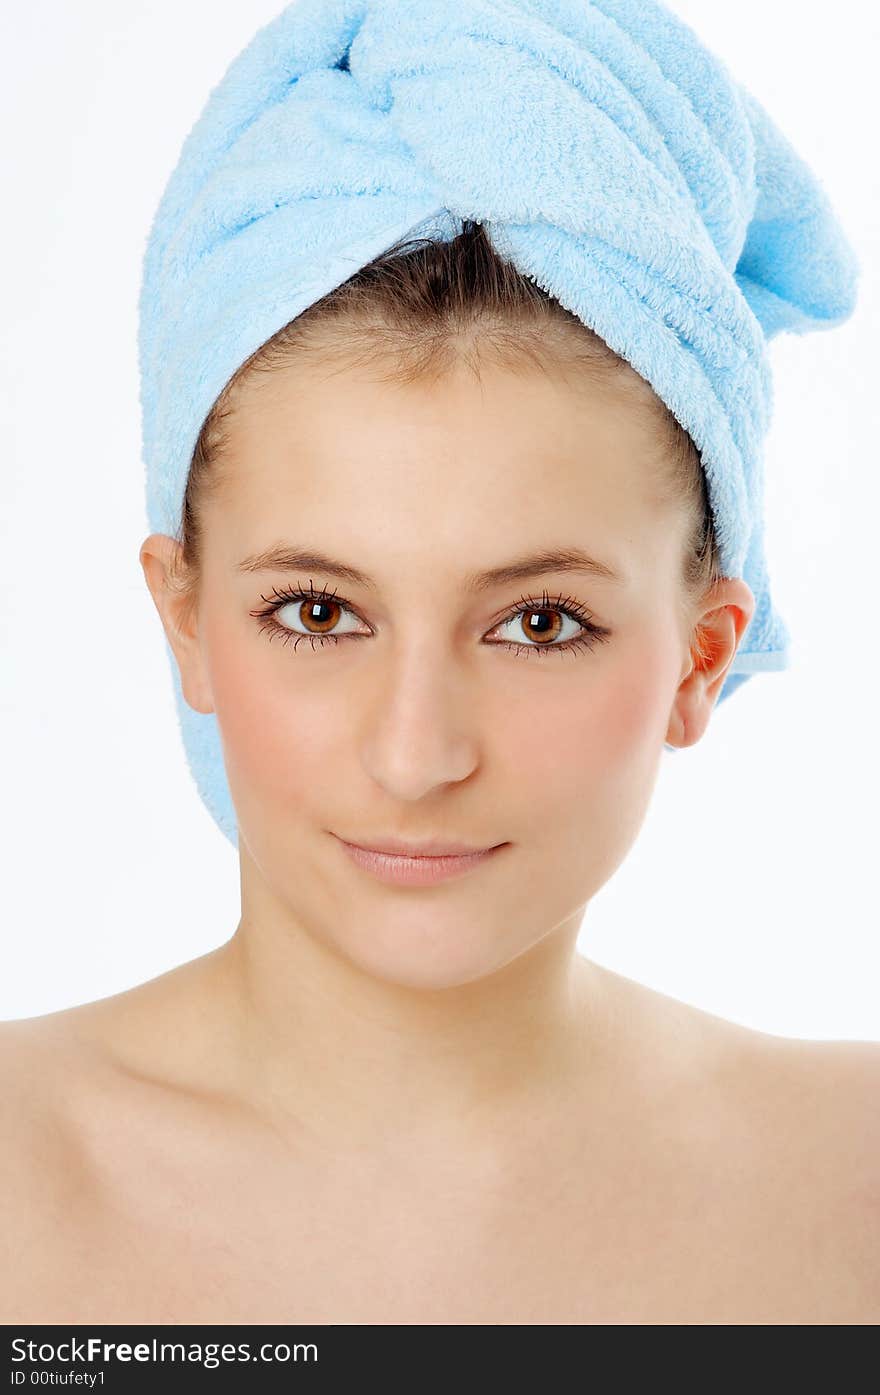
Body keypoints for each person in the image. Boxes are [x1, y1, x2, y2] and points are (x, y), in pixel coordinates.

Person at [2, 222, 877, 1325]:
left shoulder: (856, 1190)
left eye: (539, 622)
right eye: (317, 613)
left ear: (700, 657)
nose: (415, 757)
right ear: (186, 624)